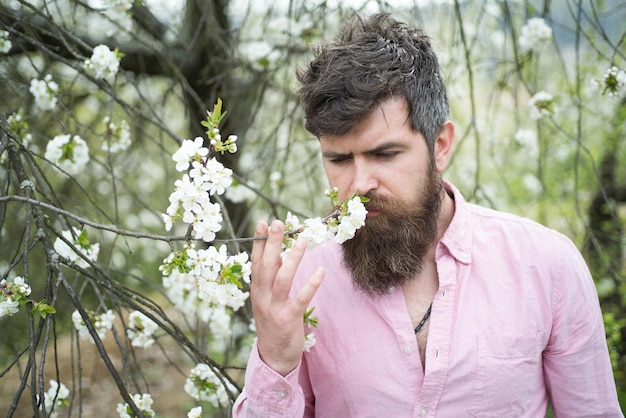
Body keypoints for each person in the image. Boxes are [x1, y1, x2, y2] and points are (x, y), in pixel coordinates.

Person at [233, 13, 622, 417]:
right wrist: (275, 359)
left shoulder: (546, 266)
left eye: (385, 154)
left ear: (440, 145)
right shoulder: (301, 284)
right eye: (338, 159)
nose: (360, 182)